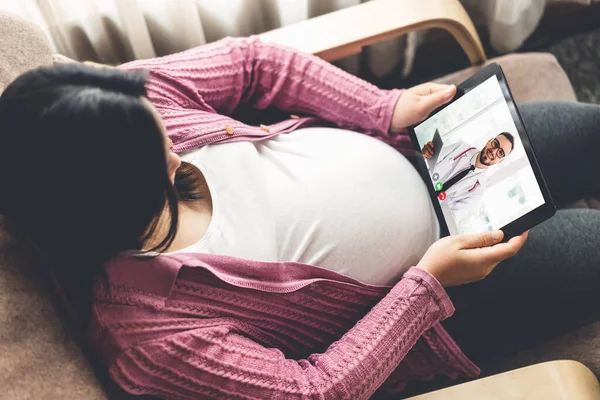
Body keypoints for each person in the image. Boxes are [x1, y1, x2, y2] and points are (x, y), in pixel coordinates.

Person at [0, 37, 599, 399]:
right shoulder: (154, 340)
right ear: (114, 208)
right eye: (164, 161)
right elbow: (315, 389)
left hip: (426, 154)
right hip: (447, 303)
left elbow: (254, 62)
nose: (180, 149)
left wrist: (381, 107)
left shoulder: (116, 110)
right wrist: (428, 286)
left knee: (590, 132)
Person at [421, 132, 515, 219]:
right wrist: (426, 153)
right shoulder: (460, 146)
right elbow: (426, 160)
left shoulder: (478, 190)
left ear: (501, 161)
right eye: (495, 144)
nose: (493, 151)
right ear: (489, 141)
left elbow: (452, 218)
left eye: (500, 153)